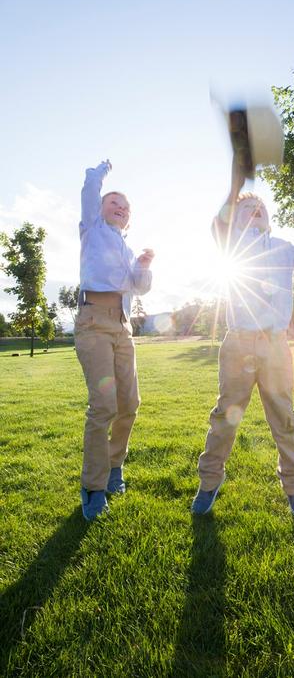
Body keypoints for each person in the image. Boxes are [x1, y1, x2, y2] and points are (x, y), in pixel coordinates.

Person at [191, 155, 294, 518]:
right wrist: (236, 189)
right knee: (224, 416)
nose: (254, 211)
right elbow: (218, 222)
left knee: (283, 416)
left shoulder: (282, 248)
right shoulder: (231, 245)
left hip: (275, 344)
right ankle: (209, 481)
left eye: (260, 209)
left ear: (269, 219)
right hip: (238, 343)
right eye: (247, 208)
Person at [75, 159, 154, 521]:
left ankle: (114, 466)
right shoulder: (92, 228)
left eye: (125, 208)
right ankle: (93, 486)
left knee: (130, 403)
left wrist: (144, 264)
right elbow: (91, 190)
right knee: (103, 406)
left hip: (122, 328)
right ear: (100, 209)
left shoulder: (125, 248)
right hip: (93, 324)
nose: (120, 208)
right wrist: (100, 172)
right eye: (114, 203)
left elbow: (139, 287)